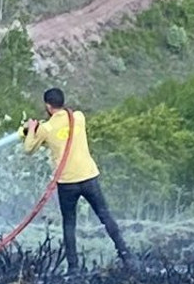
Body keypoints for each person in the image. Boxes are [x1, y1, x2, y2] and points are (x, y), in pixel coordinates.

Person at [22, 88, 131, 273]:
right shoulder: (79, 118)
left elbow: (28, 149)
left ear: (48, 106)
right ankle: (126, 255)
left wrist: (31, 129)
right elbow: (64, 131)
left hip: (67, 183)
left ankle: (73, 268)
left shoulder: (46, 129)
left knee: (69, 223)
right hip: (89, 176)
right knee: (105, 215)